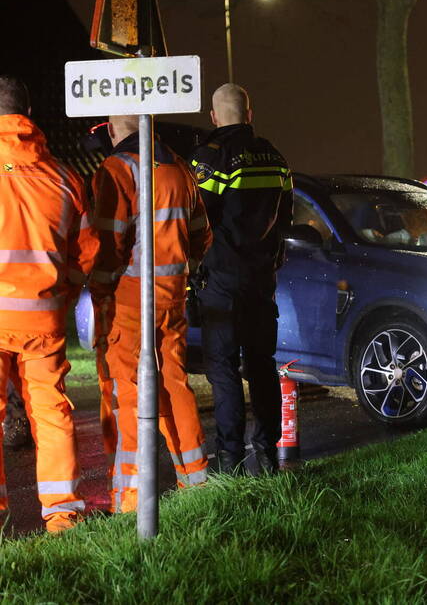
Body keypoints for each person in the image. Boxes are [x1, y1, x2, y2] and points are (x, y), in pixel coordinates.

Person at [89, 115, 212, 513]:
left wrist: (100, 290)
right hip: (171, 300)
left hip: (129, 304)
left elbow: (107, 247)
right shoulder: (179, 168)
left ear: (112, 130)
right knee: (175, 384)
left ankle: (130, 499)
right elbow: (201, 236)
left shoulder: (117, 170)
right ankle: (196, 480)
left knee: (128, 394)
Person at [0, 75, 97, 532]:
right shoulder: (65, 177)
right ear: (30, 116)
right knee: (51, 412)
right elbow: (88, 253)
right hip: (44, 318)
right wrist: (65, 290)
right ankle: (62, 515)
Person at [191, 83, 292, 474]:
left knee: (223, 370)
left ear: (214, 117)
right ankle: (268, 452)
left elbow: (196, 218)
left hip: (222, 282)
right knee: (263, 366)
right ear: (249, 115)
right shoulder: (276, 157)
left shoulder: (210, 159)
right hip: (261, 281)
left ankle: (230, 459)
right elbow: (285, 219)